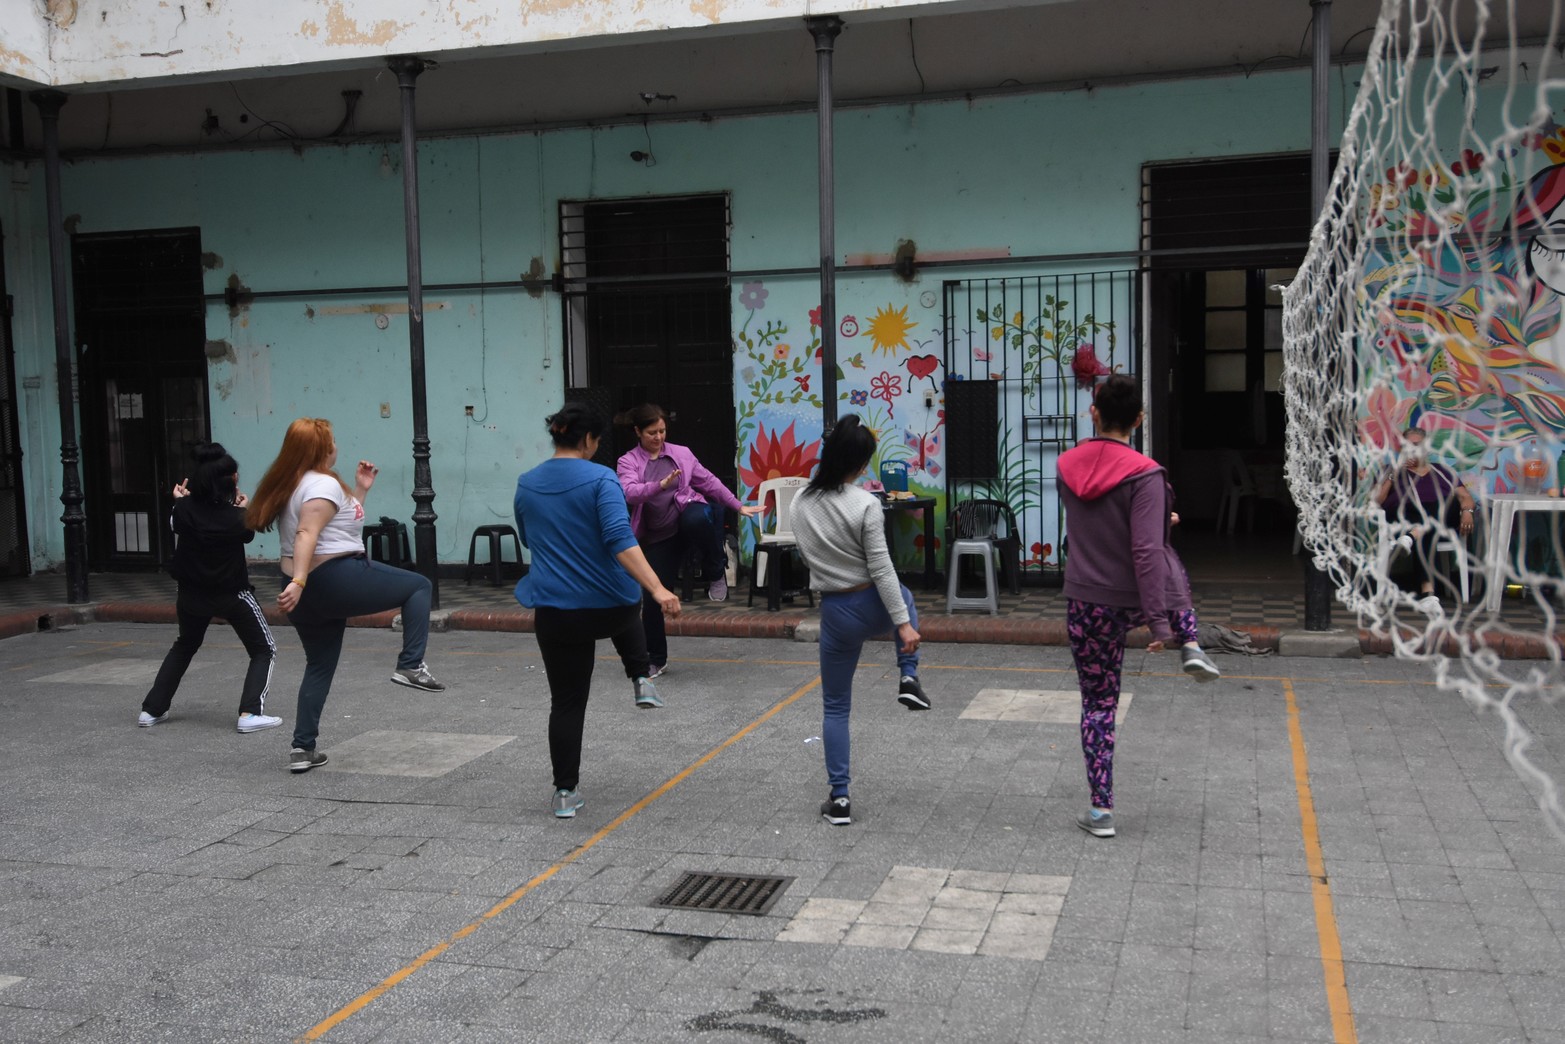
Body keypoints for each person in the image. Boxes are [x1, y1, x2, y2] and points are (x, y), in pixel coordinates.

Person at [1057, 374, 1220, 840]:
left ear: (1094, 412)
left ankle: (1101, 809)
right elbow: (1145, 551)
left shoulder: (1066, 464)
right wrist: (1157, 622)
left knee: (1098, 705)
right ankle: (1189, 639)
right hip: (1134, 597)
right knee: (1167, 556)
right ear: (1140, 419)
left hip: (1086, 600)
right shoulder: (1145, 472)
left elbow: (1092, 522)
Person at [246, 418, 445, 774]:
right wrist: (303, 581)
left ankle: (302, 749)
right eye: (333, 440)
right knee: (418, 586)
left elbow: (335, 524)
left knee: (319, 665)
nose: (337, 444)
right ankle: (411, 665)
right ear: (322, 449)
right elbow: (307, 532)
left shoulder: (292, 483)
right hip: (332, 577)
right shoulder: (321, 484)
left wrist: (361, 489)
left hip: (303, 587)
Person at [515, 402, 683, 819]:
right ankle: (641, 676)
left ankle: (565, 793)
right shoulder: (602, 478)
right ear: (589, 441)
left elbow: (529, 538)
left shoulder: (527, 482)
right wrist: (659, 588)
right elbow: (620, 539)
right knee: (631, 596)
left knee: (567, 703)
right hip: (609, 607)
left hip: (555, 609)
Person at [791, 414, 927, 828]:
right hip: (872, 603)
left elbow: (806, 554)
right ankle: (908, 676)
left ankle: (841, 799)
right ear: (862, 464)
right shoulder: (866, 504)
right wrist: (902, 625)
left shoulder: (799, 503)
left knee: (835, 707)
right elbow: (882, 569)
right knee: (903, 594)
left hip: (835, 611)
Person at [139, 442, 281, 734]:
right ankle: (250, 712)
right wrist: (243, 507)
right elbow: (247, 531)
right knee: (263, 649)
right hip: (233, 595)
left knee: (185, 645)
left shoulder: (184, 511)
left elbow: (177, 520)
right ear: (229, 481)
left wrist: (179, 500)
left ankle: (151, 710)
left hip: (190, 594)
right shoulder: (237, 519)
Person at [616, 403, 761, 677]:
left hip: (687, 517)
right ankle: (656, 659)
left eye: (662, 431)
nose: (658, 437)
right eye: (651, 432)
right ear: (637, 432)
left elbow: (708, 482)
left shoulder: (681, 454)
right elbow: (629, 493)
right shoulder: (628, 461)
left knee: (701, 516)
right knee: (653, 594)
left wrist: (737, 505)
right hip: (659, 535)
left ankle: (716, 570)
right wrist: (658, 485)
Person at [1373, 425, 1477, 613]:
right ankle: (1428, 595)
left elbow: (1465, 497)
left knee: (1443, 504)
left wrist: (1468, 511)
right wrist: (1393, 474)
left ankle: (1412, 536)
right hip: (1407, 516)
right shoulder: (1391, 470)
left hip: (1442, 517)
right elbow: (1377, 501)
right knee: (1426, 527)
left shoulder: (1442, 471)